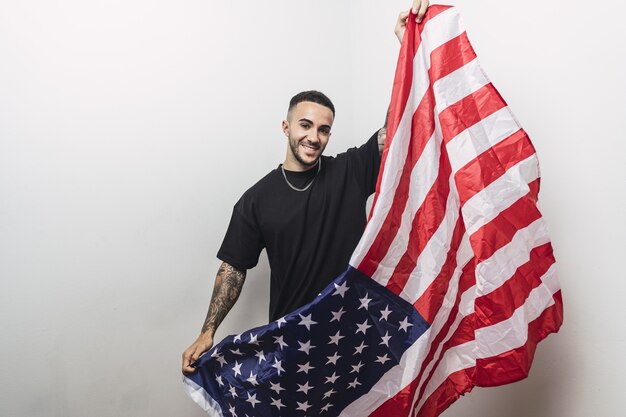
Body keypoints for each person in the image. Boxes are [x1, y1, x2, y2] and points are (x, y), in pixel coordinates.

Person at [182, 0, 430, 374]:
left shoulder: (349, 170)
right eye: (305, 125)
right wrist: (207, 331)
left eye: (324, 129)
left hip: (353, 334)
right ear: (286, 127)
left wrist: (405, 49)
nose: (314, 137)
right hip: (291, 343)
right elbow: (233, 268)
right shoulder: (256, 200)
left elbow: (394, 130)